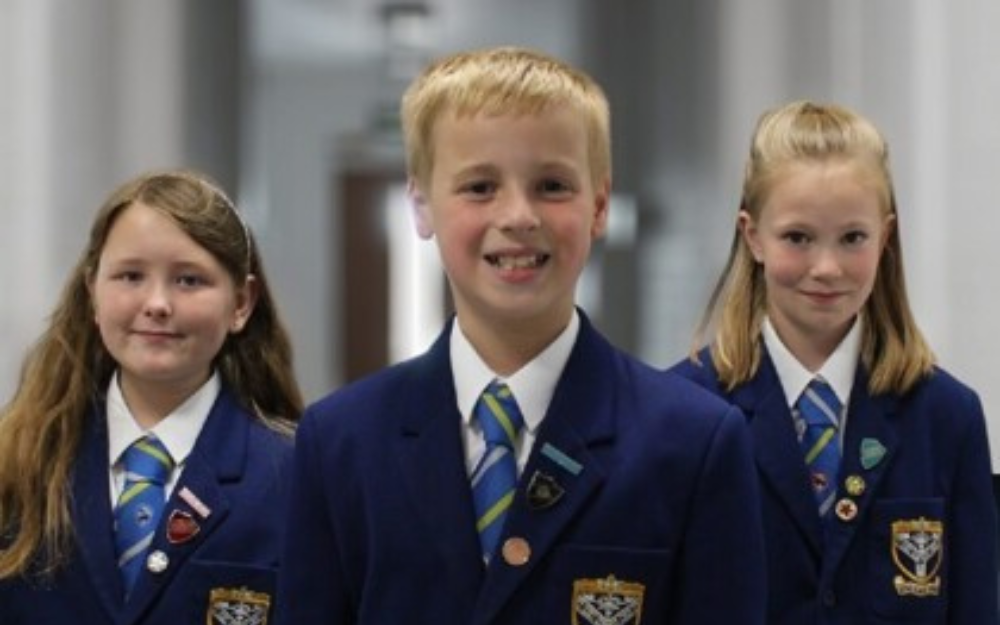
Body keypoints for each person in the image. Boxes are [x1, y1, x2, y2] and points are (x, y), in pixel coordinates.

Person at [275, 46, 766, 624]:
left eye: (552, 186)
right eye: (480, 187)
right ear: (420, 206)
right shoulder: (340, 444)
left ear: (599, 206)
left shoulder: (693, 443)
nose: (518, 216)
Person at [670, 100, 999, 624]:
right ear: (752, 236)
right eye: (797, 238)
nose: (826, 268)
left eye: (853, 238)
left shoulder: (947, 417)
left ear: (885, 237)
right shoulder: (681, 412)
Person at [0, 169, 303, 624]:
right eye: (130, 276)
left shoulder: (299, 477)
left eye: (189, 280)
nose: (157, 303)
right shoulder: (17, 463)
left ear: (241, 302)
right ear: (93, 294)